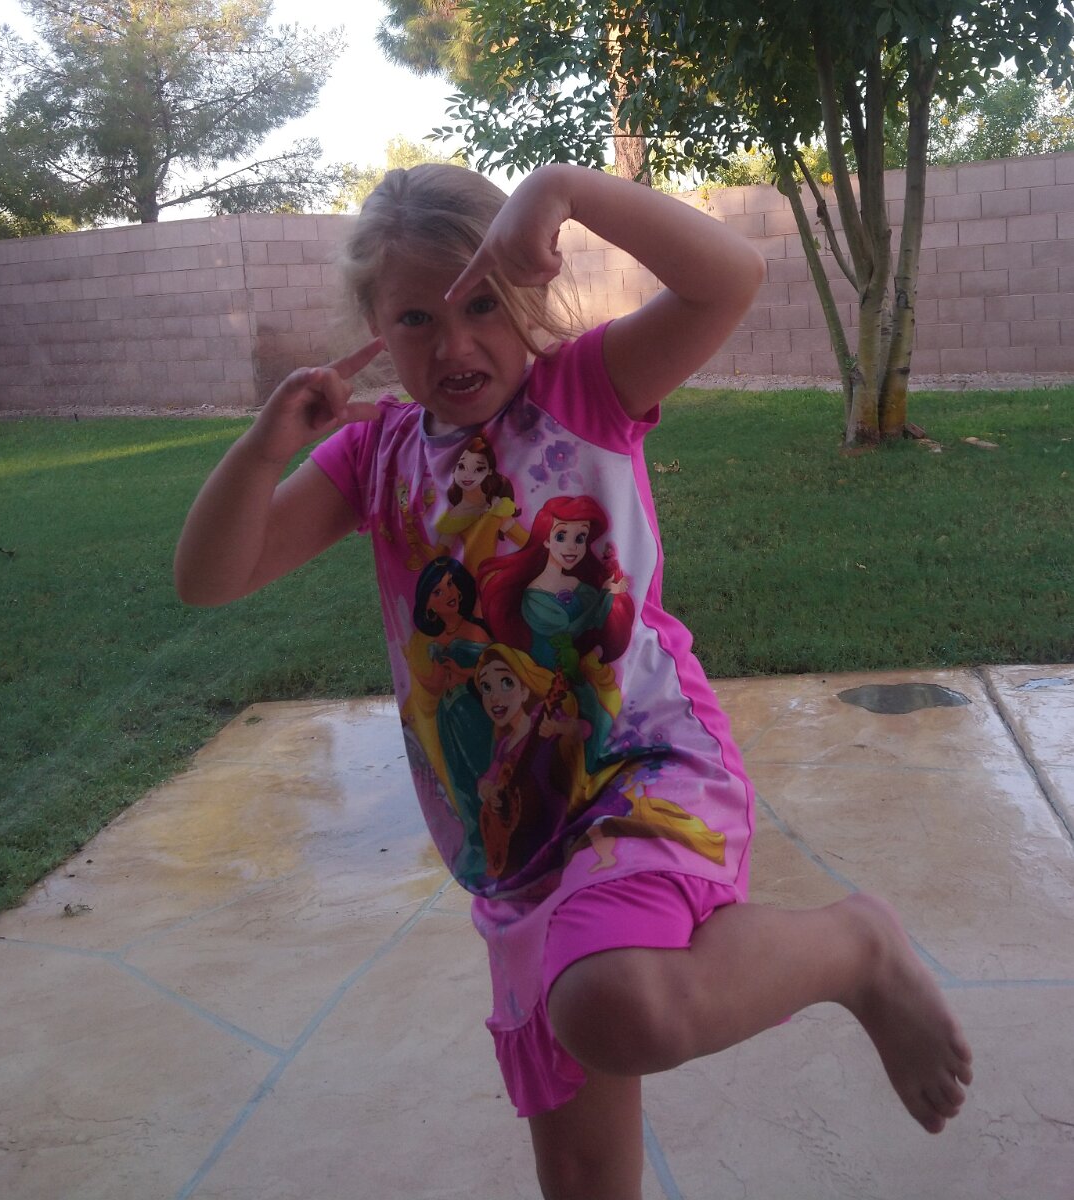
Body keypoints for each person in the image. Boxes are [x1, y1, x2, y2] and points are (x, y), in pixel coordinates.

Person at [175, 162, 972, 1199]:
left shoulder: (585, 390)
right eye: (415, 318)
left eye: (479, 305)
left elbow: (726, 279)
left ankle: (854, 948)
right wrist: (260, 451)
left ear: (525, 293)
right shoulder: (374, 458)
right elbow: (211, 578)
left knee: (615, 1005)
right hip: (511, 841)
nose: (453, 344)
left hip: (638, 769)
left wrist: (563, 189)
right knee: (585, 1170)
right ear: (373, 327)